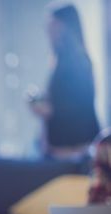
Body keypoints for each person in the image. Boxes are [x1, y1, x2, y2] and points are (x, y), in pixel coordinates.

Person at [28, 3, 100, 159]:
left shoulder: (76, 62)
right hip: (66, 147)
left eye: (52, 24)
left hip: (73, 149)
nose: (48, 30)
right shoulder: (62, 61)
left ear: (64, 27)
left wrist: (46, 109)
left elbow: (74, 108)